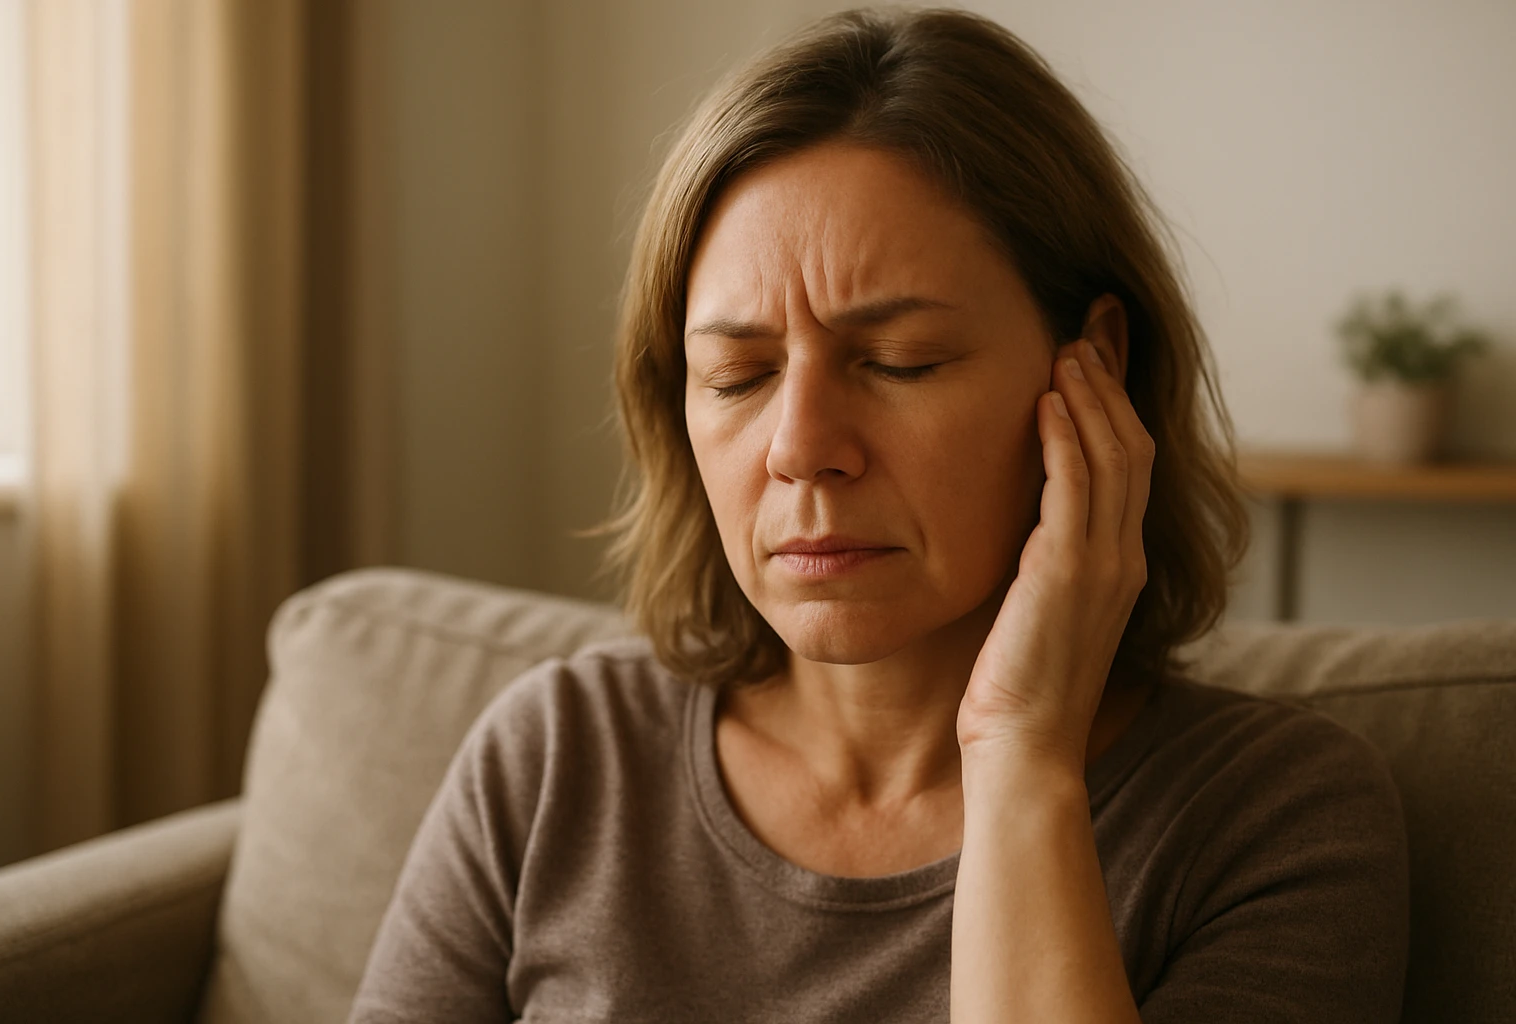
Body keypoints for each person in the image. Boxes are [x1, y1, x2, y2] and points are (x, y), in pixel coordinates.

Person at [348, 7, 1409, 1022]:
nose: (803, 447)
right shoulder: (555, 759)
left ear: (1094, 368)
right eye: (737, 375)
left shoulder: (1279, 819)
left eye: (899, 361)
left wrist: (1022, 750)